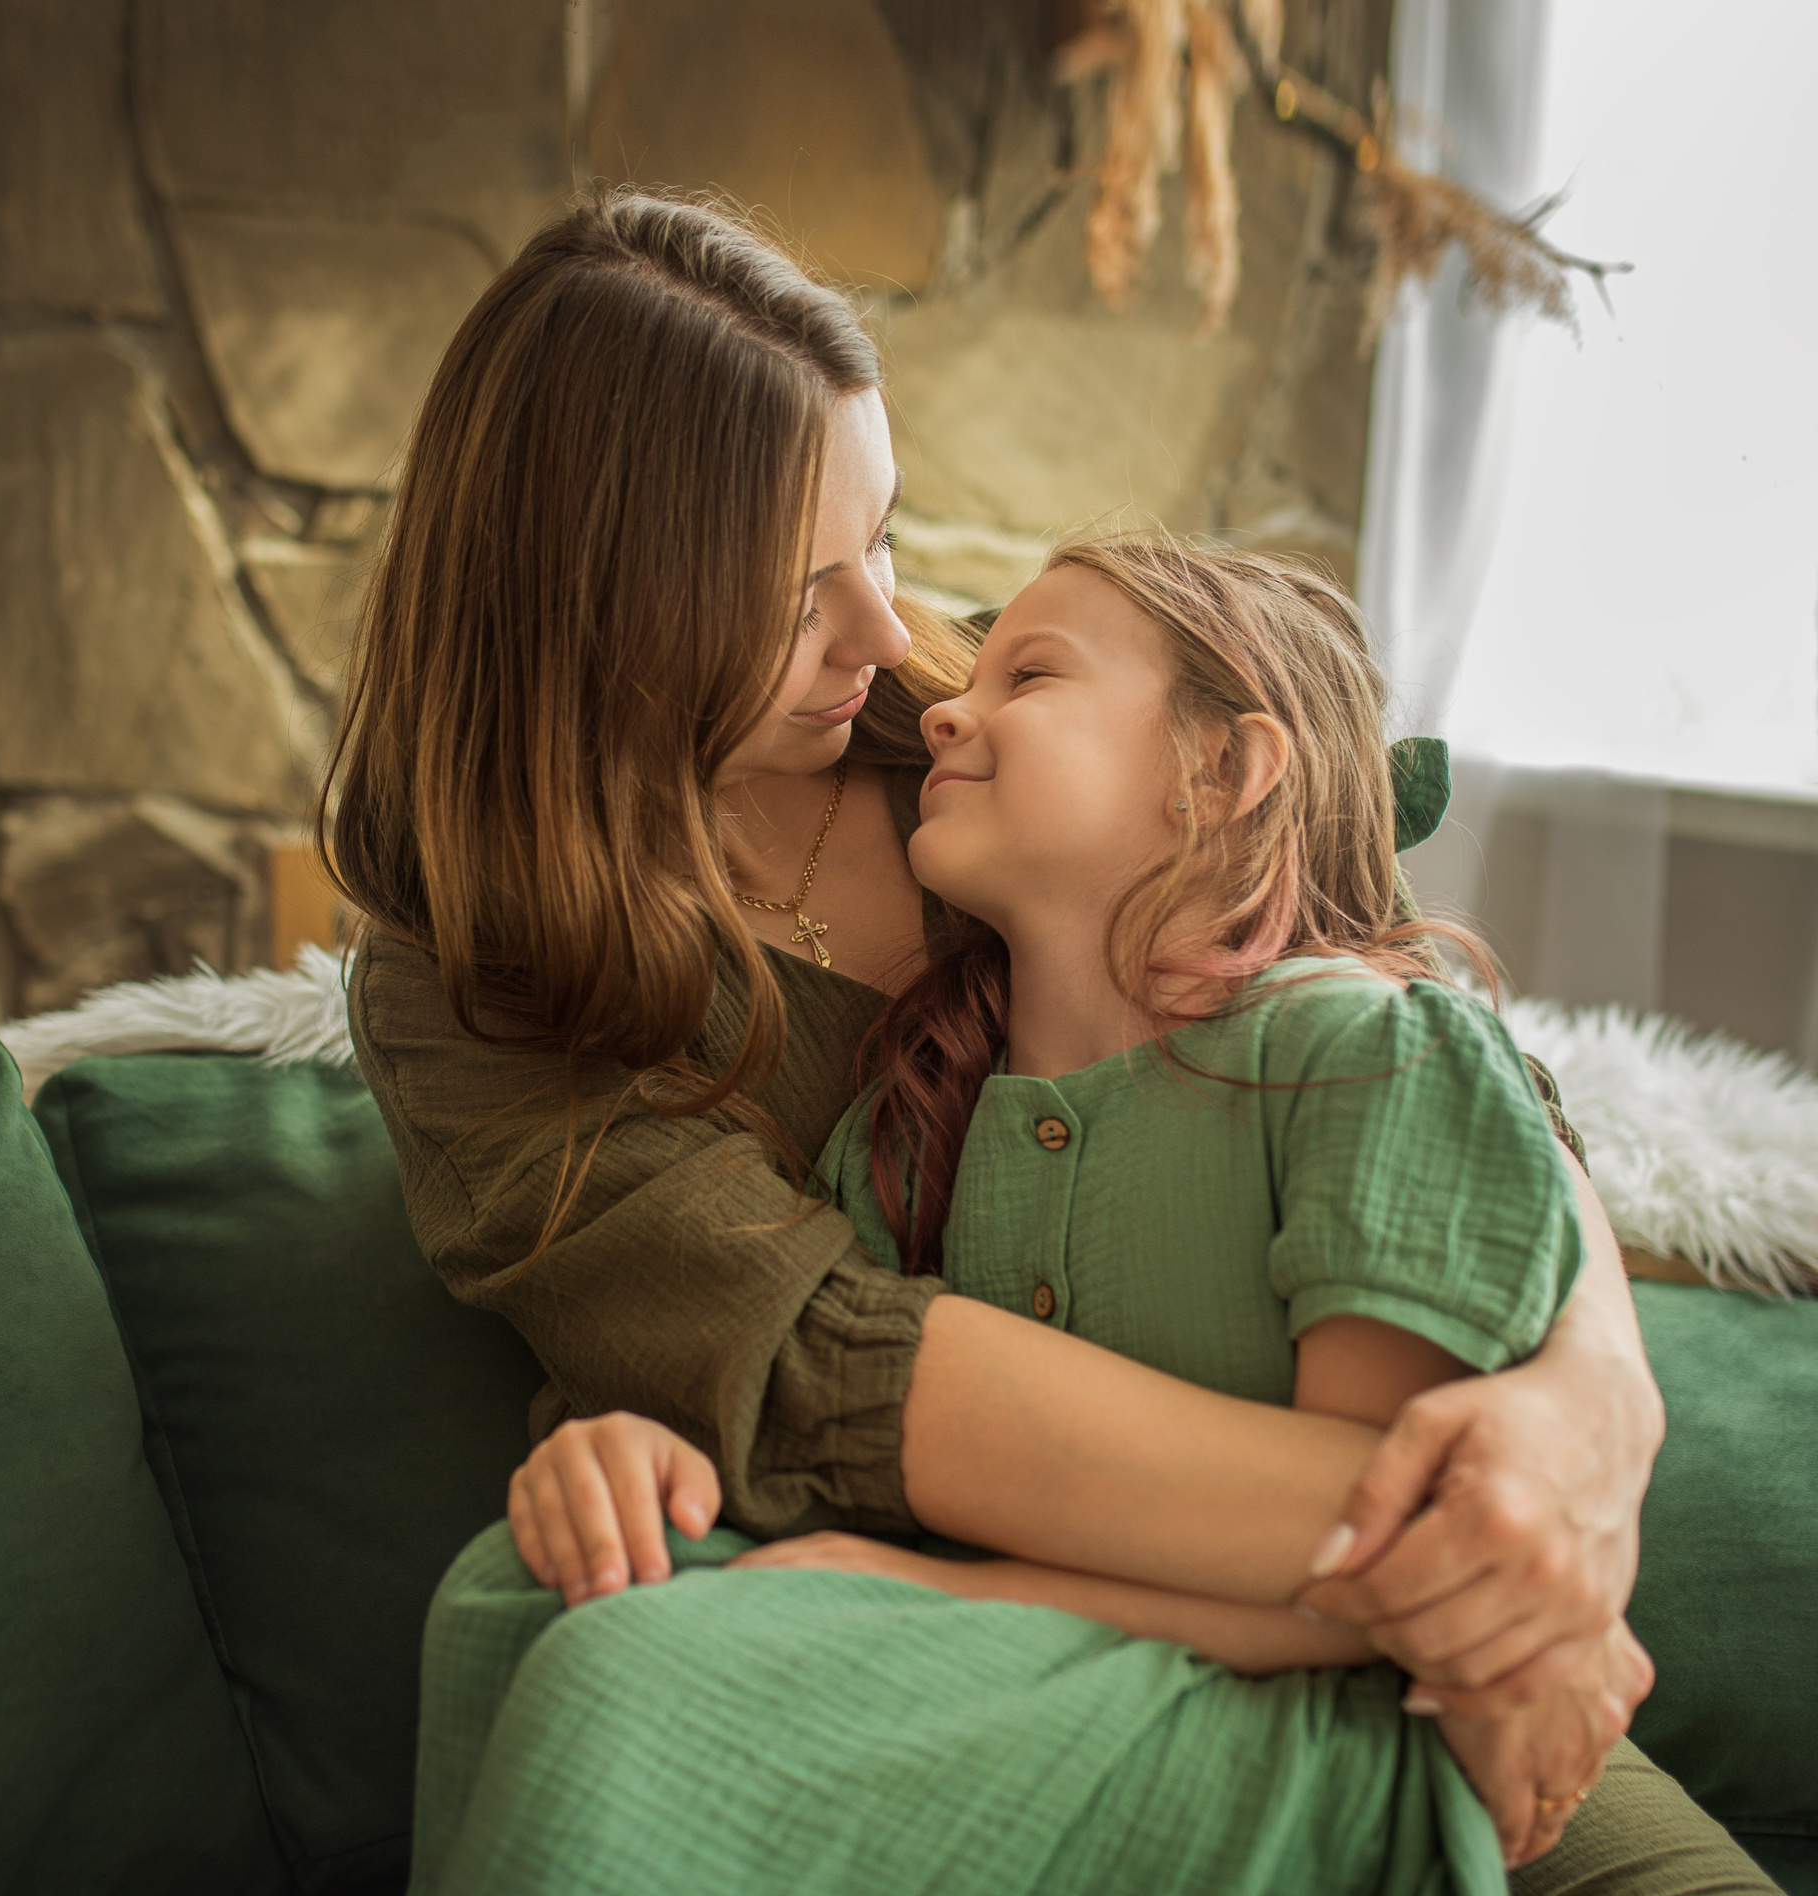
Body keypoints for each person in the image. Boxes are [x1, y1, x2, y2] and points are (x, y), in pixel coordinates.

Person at [327, 188, 1771, 1891]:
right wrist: (1457, 1562)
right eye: (794, 596)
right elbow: (818, 1368)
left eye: (880, 538)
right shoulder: (471, 979)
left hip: (1385, 1637)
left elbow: (1426, 1051)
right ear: (598, 608)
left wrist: (1586, 1419)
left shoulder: (971, 732)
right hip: (1008, 1647)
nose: (890, 639)